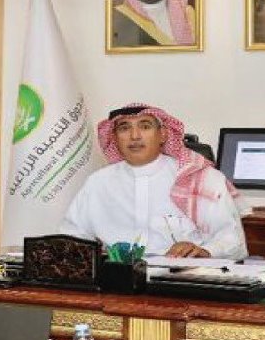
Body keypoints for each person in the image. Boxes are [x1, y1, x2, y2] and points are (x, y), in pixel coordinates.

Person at [61, 104, 247, 259]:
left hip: (184, 277)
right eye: (124, 128)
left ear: (163, 134)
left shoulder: (202, 178)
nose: (135, 136)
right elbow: (72, 236)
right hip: (119, 279)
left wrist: (204, 251)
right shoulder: (98, 182)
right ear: (114, 138)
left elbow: (232, 241)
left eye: (145, 126)